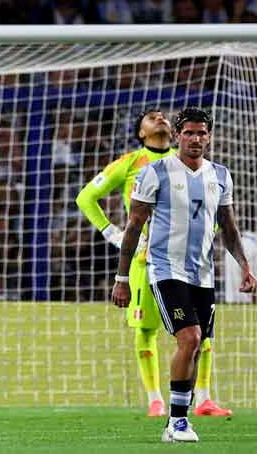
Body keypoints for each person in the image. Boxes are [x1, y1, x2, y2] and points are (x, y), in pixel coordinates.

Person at [111, 107, 257, 443]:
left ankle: (182, 415)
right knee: (189, 338)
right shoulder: (155, 172)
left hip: (203, 275)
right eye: (188, 133)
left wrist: (245, 268)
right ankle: (176, 422)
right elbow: (134, 226)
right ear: (178, 135)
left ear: (209, 136)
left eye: (201, 133)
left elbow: (229, 229)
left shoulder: (220, 175)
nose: (195, 139)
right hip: (164, 269)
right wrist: (121, 279)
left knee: (196, 346)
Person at [76, 109, 232, 418]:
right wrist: (113, 235)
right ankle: (155, 399)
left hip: (187, 262)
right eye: (151, 117)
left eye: (162, 116)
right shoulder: (131, 163)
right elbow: (85, 197)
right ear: (141, 133)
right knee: (146, 329)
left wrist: (203, 234)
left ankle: (203, 398)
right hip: (144, 259)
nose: (159, 118)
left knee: (201, 332)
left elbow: (215, 211)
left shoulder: (186, 161)